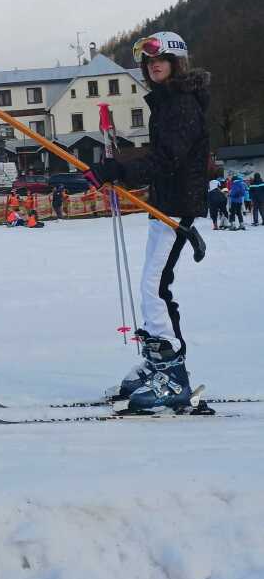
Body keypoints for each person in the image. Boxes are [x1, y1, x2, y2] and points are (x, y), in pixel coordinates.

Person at [92, 31, 210, 413]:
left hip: (177, 205)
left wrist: (121, 171)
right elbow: (160, 155)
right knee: (154, 285)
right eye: (148, 61)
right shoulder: (167, 101)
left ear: (177, 62)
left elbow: (168, 158)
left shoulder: (182, 104)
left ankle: (172, 376)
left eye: (160, 60)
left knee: (153, 287)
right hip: (166, 203)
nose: (153, 66)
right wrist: (117, 166)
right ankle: (158, 362)